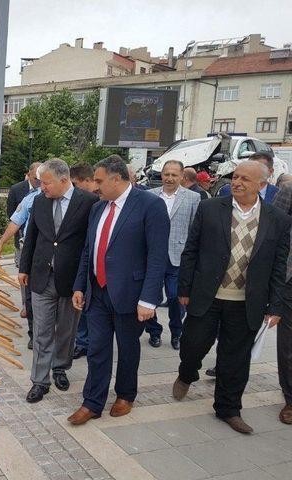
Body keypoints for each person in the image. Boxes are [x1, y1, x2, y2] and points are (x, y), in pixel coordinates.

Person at [173, 161, 290, 434]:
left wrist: (275, 305)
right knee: (193, 344)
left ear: (262, 185)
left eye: (245, 179)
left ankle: (228, 409)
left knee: (235, 358)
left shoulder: (278, 220)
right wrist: (184, 290)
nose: (236, 182)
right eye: (235, 177)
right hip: (206, 295)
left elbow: (278, 264)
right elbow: (191, 251)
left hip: (247, 302)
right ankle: (187, 372)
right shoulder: (210, 208)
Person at [68, 154, 170, 425]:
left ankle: (125, 395)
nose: (95, 186)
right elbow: (88, 251)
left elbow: (157, 256)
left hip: (130, 293)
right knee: (97, 349)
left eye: (99, 181)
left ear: (116, 178)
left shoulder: (150, 205)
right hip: (98, 292)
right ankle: (92, 402)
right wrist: (80, 285)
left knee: (127, 348)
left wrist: (149, 299)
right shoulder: (97, 209)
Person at [19, 159, 98, 403]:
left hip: (71, 279)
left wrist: (84, 282)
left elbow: (89, 244)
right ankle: (39, 381)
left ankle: (60, 368)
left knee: (66, 329)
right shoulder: (40, 201)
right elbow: (31, 235)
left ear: (63, 180)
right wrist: (24, 268)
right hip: (42, 276)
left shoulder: (87, 203)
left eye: (46, 183)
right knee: (42, 330)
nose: (41, 187)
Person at [143, 161, 200, 350]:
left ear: (182, 176)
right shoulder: (149, 196)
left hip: (178, 257)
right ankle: (154, 331)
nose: (169, 178)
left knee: (176, 297)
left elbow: (195, 230)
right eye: (166, 174)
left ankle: (177, 332)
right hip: (152, 257)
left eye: (174, 175)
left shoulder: (193, 198)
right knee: (151, 296)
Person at [0, 166, 43, 350]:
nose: (39, 182)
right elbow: (15, 221)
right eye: (37, 179)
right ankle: (33, 333)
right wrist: (0, 244)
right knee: (29, 294)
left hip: (52, 255)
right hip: (31, 251)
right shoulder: (30, 198)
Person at [268, 182, 292, 424]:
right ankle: (291, 398)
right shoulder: (290, 190)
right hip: (290, 280)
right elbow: (272, 226)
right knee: (288, 344)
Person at [69, 163, 98, 359]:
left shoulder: (97, 202)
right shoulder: (80, 201)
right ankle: (82, 341)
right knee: (81, 305)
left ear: (88, 181)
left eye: (75, 183)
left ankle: (89, 341)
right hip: (81, 261)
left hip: (96, 264)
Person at [7, 162, 42, 318]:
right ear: (29, 174)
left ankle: (34, 305)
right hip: (22, 240)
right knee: (24, 275)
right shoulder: (17, 190)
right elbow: (13, 216)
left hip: (40, 245)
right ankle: (26, 305)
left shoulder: (45, 193)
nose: (39, 183)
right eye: (36, 179)